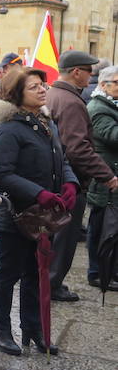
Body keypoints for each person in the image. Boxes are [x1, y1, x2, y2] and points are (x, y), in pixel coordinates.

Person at [0, 67, 76, 355]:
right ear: (17, 93)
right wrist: (38, 192)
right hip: (17, 214)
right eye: (34, 86)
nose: (42, 90)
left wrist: (70, 183)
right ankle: (2, 329)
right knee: (8, 272)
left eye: (43, 85)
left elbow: (60, 159)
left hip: (42, 216)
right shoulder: (8, 126)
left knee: (35, 273)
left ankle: (33, 328)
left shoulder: (46, 120)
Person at [46, 50, 118, 302]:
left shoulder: (55, 94)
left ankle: (49, 282)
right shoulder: (71, 101)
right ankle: (52, 284)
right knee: (63, 240)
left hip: (57, 178)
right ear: (76, 72)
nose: (92, 76)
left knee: (55, 239)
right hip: (70, 181)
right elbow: (78, 148)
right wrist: (107, 175)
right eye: (89, 71)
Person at [86, 65, 118, 291]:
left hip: (111, 174)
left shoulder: (110, 105)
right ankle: (97, 272)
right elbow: (113, 136)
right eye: (117, 82)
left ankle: (109, 269)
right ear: (104, 84)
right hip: (104, 176)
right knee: (100, 226)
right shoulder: (98, 107)